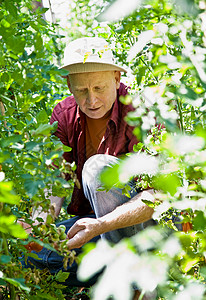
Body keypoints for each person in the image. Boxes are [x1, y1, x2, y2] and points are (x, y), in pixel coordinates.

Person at [21, 37, 155, 291]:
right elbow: (56, 182)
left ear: (116, 79)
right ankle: (120, 276)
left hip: (147, 231)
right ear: (69, 84)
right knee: (31, 252)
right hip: (96, 227)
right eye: (82, 90)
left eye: (99, 88)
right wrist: (39, 227)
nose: (91, 100)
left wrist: (103, 225)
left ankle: (139, 284)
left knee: (96, 168)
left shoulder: (143, 113)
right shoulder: (63, 115)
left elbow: (157, 196)